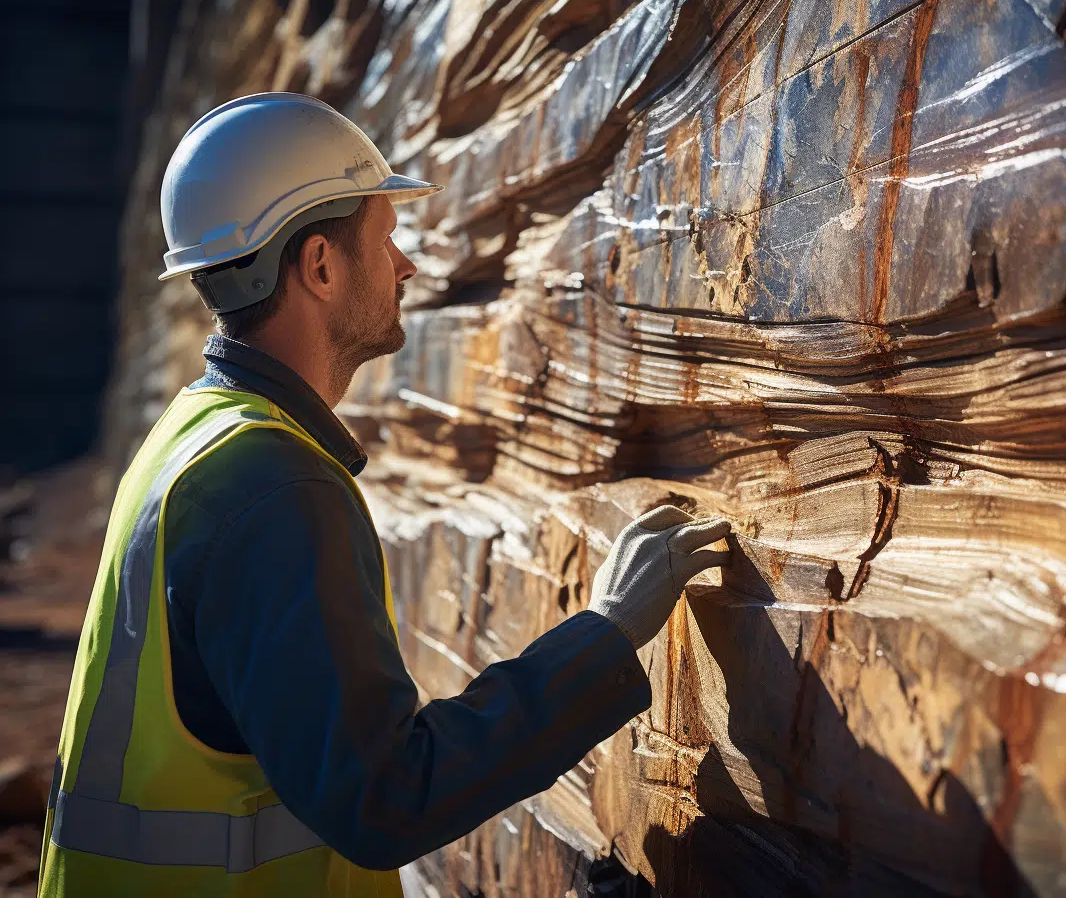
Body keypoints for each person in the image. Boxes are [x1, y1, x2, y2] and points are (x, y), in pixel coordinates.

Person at [38, 93, 730, 897]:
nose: (405, 265)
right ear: (321, 265)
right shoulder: (271, 485)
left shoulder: (194, 434)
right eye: (384, 235)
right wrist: (605, 636)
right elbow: (383, 799)